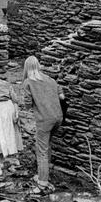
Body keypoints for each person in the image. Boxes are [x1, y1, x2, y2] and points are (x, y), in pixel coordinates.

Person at [20, 56, 65, 186]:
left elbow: (27, 104)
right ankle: (46, 173)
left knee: (41, 150)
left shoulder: (28, 82)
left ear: (26, 68)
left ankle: (43, 180)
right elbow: (62, 96)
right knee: (47, 144)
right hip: (58, 117)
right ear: (38, 65)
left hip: (44, 120)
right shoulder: (50, 79)